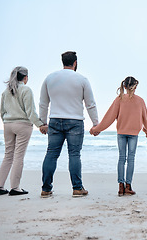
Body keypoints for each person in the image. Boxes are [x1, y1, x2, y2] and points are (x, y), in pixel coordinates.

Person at [39, 51, 98, 198]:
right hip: (75, 121)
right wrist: (96, 124)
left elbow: (43, 103)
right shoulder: (82, 79)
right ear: (75, 63)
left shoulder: (49, 78)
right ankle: (77, 188)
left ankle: (46, 189)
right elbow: (90, 104)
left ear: (63, 62)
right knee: (74, 154)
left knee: (51, 154)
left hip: (55, 120)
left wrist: (42, 122)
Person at [90, 76, 147, 196]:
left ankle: (121, 187)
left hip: (121, 133)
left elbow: (109, 117)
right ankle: (128, 186)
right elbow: (145, 118)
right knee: (131, 158)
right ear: (135, 86)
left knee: (121, 158)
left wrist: (97, 129)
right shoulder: (140, 100)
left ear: (124, 86)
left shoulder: (119, 99)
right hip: (133, 134)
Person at [0, 66, 48, 196]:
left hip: (8, 124)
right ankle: (15, 188)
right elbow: (30, 112)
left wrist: (7, 122)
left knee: (8, 155)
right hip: (22, 125)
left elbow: (2, 112)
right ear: (25, 77)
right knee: (18, 156)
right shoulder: (26, 90)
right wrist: (40, 125)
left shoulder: (6, 92)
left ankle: (0, 187)